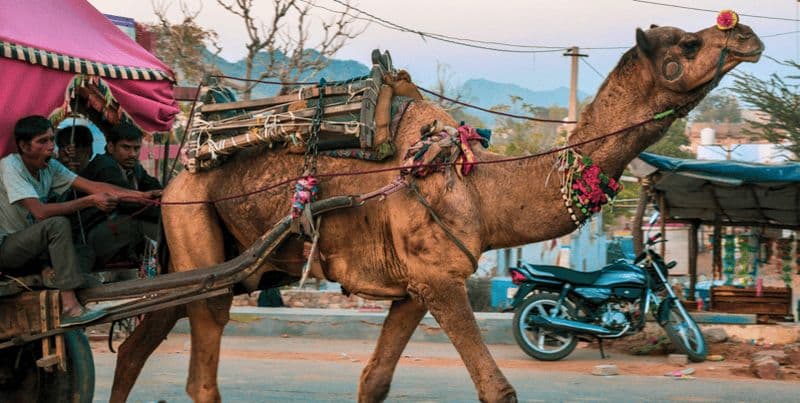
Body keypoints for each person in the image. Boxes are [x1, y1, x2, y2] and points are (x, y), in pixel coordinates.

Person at [0, 115, 158, 326]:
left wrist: (140, 196)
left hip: (35, 251)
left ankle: (65, 279)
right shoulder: (11, 166)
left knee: (83, 250)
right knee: (57, 224)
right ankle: (69, 306)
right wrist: (89, 201)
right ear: (24, 146)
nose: (51, 146)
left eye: (51, 139)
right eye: (42, 141)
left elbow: (95, 187)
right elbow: (40, 212)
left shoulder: (50, 167)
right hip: (7, 249)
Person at [80, 121, 162, 268]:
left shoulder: (135, 167)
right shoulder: (104, 165)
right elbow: (129, 204)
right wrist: (165, 211)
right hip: (91, 236)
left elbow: (154, 186)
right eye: (126, 147)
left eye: (136, 148)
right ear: (111, 147)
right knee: (146, 225)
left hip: (115, 229)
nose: (133, 154)